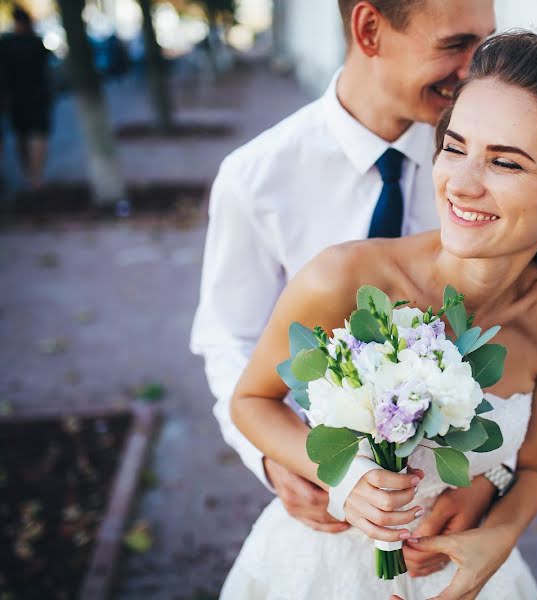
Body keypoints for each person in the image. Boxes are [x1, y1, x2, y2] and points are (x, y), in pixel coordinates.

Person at [220, 30, 537, 599]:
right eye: (455, 147)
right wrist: (342, 472)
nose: (461, 184)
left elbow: (530, 471)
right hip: (318, 569)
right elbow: (251, 401)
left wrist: (499, 522)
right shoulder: (342, 280)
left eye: (505, 163)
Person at [190, 0, 497, 580]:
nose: (475, 70)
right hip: (321, 515)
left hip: (447, 535)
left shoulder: (485, 172)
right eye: (456, 45)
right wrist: (271, 459)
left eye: (487, 44)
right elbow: (228, 337)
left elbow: (524, 332)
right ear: (370, 29)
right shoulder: (256, 177)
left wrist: (489, 483)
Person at [0, 5, 53, 189]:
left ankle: (29, 174)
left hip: (18, 97)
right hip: (36, 96)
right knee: (36, 135)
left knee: (23, 136)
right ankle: (35, 176)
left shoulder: (6, 44)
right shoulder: (36, 42)